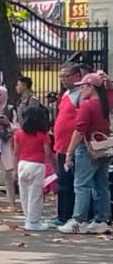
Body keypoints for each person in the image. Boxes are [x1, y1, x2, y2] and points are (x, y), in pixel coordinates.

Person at [60, 71, 112, 234]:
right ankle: (101, 219)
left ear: (91, 87)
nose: (81, 90)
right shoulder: (106, 104)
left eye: (83, 86)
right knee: (101, 184)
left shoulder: (87, 105)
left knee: (81, 184)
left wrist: (69, 152)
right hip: (104, 148)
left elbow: (80, 130)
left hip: (88, 148)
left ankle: (78, 220)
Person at [53, 63, 86, 226]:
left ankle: (68, 215)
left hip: (71, 147)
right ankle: (62, 213)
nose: (63, 80)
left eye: (66, 76)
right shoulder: (66, 93)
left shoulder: (80, 94)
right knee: (62, 182)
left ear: (77, 76)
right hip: (61, 145)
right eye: (61, 77)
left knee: (70, 183)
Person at [15, 102, 53, 231]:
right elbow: (48, 153)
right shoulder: (43, 135)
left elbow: (16, 151)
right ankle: (33, 221)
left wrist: (15, 168)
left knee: (24, 194)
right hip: (37, 164)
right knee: (35, 194)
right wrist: (53, 167)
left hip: (22, 164)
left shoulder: (19, 133)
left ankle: (28, 218)